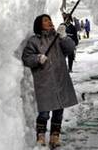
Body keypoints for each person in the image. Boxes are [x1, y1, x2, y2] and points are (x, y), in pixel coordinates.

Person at [22, 14, 78, 147]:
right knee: (44, 112)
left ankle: (55, 136)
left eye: (50, 20)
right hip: (44, 81)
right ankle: (40, 136)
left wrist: (64, 36)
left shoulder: (58, 38)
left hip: (60, 79)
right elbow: (26, 58)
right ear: (39, 24)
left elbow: (70, 49)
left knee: (59, 111)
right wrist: (37, 58)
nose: (50, 22)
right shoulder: (34, 41)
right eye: (46, 21)